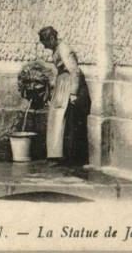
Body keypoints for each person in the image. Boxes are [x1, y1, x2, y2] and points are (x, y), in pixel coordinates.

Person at [38, 26, 90, 166]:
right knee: (55, 118)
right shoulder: (58, 49)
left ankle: (59, 156)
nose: (45, 47)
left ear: (51, 38)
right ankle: (55, 154)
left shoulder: (64, 49)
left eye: (46, 43)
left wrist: (73, 93)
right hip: (62, 85)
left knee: (61, 119)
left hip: (67, 87)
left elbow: (75, 71)